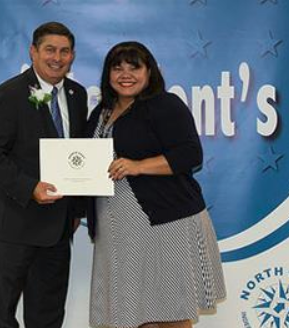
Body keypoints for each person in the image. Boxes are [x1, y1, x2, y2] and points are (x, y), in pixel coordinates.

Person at [86, 41, 226, 328]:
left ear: (149, 72)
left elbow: (190, 154)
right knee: (137, 310)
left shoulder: (165, 105)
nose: (126, 74)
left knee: (172, 309)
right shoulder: (100, 113)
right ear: (107, 75)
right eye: (118, 68)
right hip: (118, 228)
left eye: (134, 67)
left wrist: (138, 166)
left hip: (165, 221)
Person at [0, 22, 88, 328]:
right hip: (13, 222)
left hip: (58, 229)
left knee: (48, 314)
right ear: (33, 52)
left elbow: (78, 156)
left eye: (64, 51)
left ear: (72, 56)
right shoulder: (8, 94)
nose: (57, 58)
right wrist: (30, 187)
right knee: (2, 315)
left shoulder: (78, 95)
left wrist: (76, 210)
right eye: (50, 49)